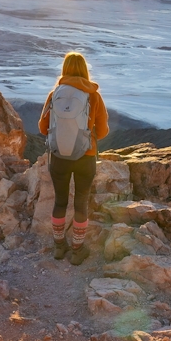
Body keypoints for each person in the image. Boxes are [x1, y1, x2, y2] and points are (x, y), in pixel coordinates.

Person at [38, 51, 109, 265]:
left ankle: (59, 247)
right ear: (85, 70)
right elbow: (103, 131)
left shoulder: (55, 94)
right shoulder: (94, 95)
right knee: (81, 203)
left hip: (59, 156)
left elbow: (43, 128)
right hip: (85, 156)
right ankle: (78, 250)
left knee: (60, 202)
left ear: (64, 70)